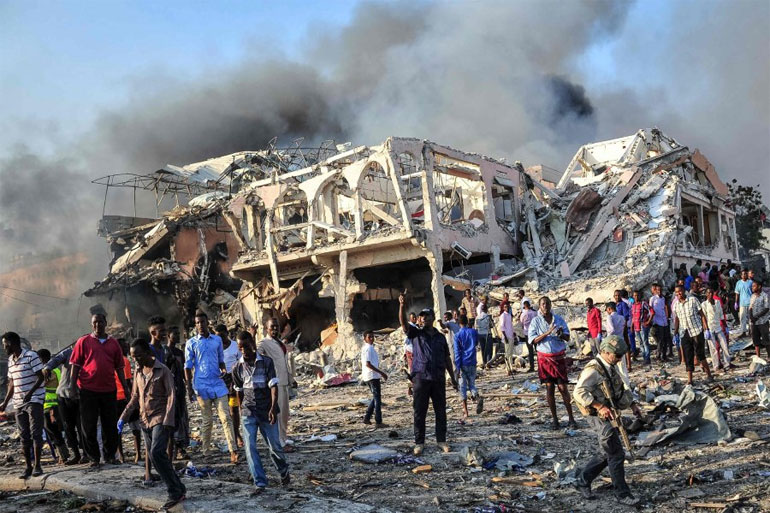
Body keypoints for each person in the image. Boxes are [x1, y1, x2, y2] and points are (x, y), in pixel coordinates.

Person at [572, 335, 643, 506]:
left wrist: (632, 405)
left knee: (608, 451)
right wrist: (599, 406)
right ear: (605, 352)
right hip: (595, 414)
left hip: (608, 411)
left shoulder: (609, 366)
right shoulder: (593, 370)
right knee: (616, 453)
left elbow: (618, 388)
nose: (619, 359)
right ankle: (622, 494)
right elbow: (578, 392)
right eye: (617, 355)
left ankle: (582, 480)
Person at [118, 339, 185, 510]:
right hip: (144, 420)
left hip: (160, 418)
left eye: (138, 356)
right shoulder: (138, 372)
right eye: (133, 357)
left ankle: (174, 492)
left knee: (156, 452)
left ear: (148, 353)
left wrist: (168, 420)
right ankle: (179, 487)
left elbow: (171, 395)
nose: (135, 360)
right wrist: (123, 417)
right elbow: (135, 397)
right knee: (156, 457)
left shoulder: (163, 371)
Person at [399, 294, 458, 455]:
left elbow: (447, 358)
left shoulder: (440, 337)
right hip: (420, 378)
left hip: (438, 378)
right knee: (419, 412)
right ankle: (419, 443)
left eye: (426, 316)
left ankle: (441, 440)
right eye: (422, 316)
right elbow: (403, 324)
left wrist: (453, 378)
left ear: (432, 318)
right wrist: (402, 306)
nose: (423, 318)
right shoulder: (416, 334)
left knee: (440, 411)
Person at [231, 331, 290, 494]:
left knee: (275, 446)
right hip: (248, 412)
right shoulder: (236, 368)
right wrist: (242, 410)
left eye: (246, 346)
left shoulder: (266, 362)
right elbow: (239, 391)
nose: (244, 351)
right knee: (250, 448)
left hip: (266, 410)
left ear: (252, 343)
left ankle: (283, 470)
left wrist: (273, 408)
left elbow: (273, 387)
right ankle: (260, 482)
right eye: (240, 348)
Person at [69, 313, 128, 467]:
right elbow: (75, 365)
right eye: (95, 322)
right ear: (91, 324)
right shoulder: (83, 341)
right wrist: (72, 386)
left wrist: (126, 388)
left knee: (110, 425)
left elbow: (120, 368)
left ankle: (110, 456)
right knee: (88, 425)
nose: (97, 325)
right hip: (88, 390)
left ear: (105, 323)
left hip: (109, 390)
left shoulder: (113, 343)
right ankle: (93, 457)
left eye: (100, 322)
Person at [184, 310, 238, 463]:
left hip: (218, 383)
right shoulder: (191, 343)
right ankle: (206, 452)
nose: (200, 325)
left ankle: (233, 450)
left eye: (202, 322)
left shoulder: (217, 340)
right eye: (197, 323)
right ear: (195, 325)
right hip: (201, 386)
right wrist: (189, 387)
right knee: (207, 421)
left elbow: (221, 360)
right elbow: (188, 366)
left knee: (226, 417)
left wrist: (223, 370)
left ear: (207, 323)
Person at [1, 332, 46, 478]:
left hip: (34, 400)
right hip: (18, 402)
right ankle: (28, 467)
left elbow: (41, 377)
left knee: (36, 433)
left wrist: (30, 393)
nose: (4, 347)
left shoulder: (31, 356)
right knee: (23, 435)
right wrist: (5, 402)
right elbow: (12, 383)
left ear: (12, 343)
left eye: (5, 344)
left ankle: (37, 466)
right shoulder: (10, 360)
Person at [528, 296, 577, 430]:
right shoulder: (536, 321)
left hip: (558, 357)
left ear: (550, 305)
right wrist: (547, 333)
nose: (545, 306)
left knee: (563, 388)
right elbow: (532, 340)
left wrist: (560, 334)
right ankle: (555, 419)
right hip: (544, 358)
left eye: (547, 304)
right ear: (539, 306)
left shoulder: (558, 319)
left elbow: (567, 337)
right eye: (543, 304)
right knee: (549, 388)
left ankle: (571, 418)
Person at [43, 345, 87, 465]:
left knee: (82, 426)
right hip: (64, 395)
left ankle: (85, 454)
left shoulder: (91, 353)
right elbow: (55, 360)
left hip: (81, 396)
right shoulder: (69, 352)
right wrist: (47, 368)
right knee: (68, 427)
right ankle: (76, 454)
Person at [257, 318, 293, 450]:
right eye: (272, 327)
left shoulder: (279, 342)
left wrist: (291, 379)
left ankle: (283, 438)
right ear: (266, 328)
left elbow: (284, 362)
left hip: (284, 381)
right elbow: (256, 353)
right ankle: (279, 443)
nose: (275, 329)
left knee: (284, 414)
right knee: (277, 413)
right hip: (275, 383)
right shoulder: (264, 343)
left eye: (277, 326)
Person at [673, 285, 714, 385]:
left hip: (696, 331)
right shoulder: (676, 305)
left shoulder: (693, 300)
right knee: (688, 356)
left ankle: (709, 375)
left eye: (680, 291)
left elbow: (702, 314)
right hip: (685, 332)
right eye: (676, 292)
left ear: (684, 291)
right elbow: (677, 319)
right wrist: (675, 333)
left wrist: (706, 329)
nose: (678, 294)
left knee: (700, 355)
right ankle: (690, 380)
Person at [37, 349, 70, 464]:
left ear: (43, 359)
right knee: (51, 432)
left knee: (54, 431)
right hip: (46, 405)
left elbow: (56, 385)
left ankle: (63, 455)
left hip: (52, 406)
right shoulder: (48, 370)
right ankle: (61, 454)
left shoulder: (52, 371)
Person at [216, 324, 244, 450]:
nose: (221, 339)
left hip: (233, 381)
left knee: (234, 409)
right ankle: (232, 436)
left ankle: (236, 433)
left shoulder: (234, 346)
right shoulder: (215, 348)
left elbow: (241, 362)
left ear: (227, 334)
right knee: (225, 412)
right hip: (220, 382)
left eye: (222, 336)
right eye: (218, 337)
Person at [166, 326, 189, 459]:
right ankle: (171, 449)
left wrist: (188, 385)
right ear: (168, 335)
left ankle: (180, 448)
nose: (177, 336)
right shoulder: (164, 351)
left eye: (178, 333)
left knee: (181, 417)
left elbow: (184, 370)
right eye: (174, 334)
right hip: (169, 389)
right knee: (171, 418)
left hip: (180, 388)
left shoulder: (179, 352)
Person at [453, 315, 480, 419]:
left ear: (458, 323)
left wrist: (457, 366)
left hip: (463, 362)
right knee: (472, 384)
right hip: (472, 361)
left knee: (462, 387)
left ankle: (465, 410)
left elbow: (457, 352)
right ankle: (477, 397)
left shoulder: (457, 335)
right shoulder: (473, 332)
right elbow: (476, 343)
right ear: (467, 321)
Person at [361, 330, 388, 427]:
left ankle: (367, 418)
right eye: (369, 337)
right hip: (372, 376)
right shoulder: (368, 348)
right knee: (377, 399)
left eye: (373, 337)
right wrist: (381, 373)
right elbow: (368, 364)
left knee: (375, 397)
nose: (372, 339)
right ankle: (378, 421)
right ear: (365, 339)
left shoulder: (369, 348)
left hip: (372, 375)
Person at [701, 286, 731, 371]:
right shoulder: (704, 304)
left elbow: (721, 315)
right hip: (710, 328)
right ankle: (716, 366)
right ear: (706, 294)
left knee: (724, 345)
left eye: (711, 292)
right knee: (713, 349)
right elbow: (704, 318)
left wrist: (725, 326)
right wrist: (706, 329)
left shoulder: (717, 302)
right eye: (708, 293)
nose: (710, 294)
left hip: (718, 327)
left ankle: (727, 363)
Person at [604, 303, 631, 390]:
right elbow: (624, 331)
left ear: (609, 309)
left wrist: (607, 340)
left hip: (613, 344)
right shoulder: (622, 317)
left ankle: (619, 387)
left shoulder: (610, 317)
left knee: (613, 367)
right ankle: (627, 386)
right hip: (621, 342)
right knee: (622, 367)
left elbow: (611, 330)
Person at [649, 283, 671, 362]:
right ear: (655, 290)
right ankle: (658, 356)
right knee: (660, 340)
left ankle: (664, 356)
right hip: (657, 322)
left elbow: (665, 308)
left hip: (664, 321)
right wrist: (651, 320)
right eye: (658, 290)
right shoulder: (653, 299)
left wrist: (667, 317)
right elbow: (650, 310)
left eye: (660, 290)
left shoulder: (663, 298)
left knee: (665, 339)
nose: (659, 291)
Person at [749, 279, 770, 358]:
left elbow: (766, 308)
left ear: (759, 286)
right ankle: (758, 357)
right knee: (756, 341)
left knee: (766, 340)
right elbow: (750, 307)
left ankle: (769, 357)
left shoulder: (765, 296)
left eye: (754, 286)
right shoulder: (752, 296)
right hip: (754, 322)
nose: (752, 288)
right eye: (752, 286)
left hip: (763, 322)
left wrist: (756, 316)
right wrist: (751, 317)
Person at [613, 290, 632, 369]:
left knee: (626, 345)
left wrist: (624, 327)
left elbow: (626, 316)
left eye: (618, 295)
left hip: (623, 327)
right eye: (615, 295)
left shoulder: (623, 304)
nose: (617, 297)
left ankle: (629, 365)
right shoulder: (614, 305)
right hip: (616, 328)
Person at [735, 269, 753, 337]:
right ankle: (743, 332)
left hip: (750, 303)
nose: (744, 275)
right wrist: (736, 302)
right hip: (742, 303)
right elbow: (737, 293)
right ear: (741, 275)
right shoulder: (738, 283)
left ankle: (751, 332)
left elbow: (753, 292)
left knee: (750, 318)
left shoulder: (750, 282)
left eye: (745, 274)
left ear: (747, 275)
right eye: (743, 274)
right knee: (742, 318)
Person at [520, 300, 538, 372]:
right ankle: (540, 365)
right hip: (535, 333)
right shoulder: (534, 313)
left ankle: (532, 367)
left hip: (527, 333)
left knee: (530, 351)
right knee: (538, 350)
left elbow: (521, 324)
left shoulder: (523, 314)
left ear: (524, 306)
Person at [499, 306, 516, 375]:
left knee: (510, 353)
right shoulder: (503, 316)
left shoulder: (509, 315)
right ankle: (507, 368)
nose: (507, 308)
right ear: (503, 308)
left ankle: (511, 367)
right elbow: (502, 327)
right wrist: (505, 336)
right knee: (507, 353)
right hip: (506, 336)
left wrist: (513, 332)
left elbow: (511, 325)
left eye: (508, 307)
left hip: (511, 335)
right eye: (505, 307)